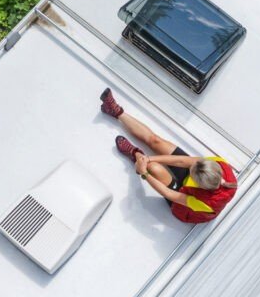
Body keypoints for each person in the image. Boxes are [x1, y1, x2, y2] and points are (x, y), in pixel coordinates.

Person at [99, 88, 238, 223]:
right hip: (201, 182)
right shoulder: (218, 164)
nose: (191, 167)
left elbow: (168, 194)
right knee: (156, 141)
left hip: (184, 206)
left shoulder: (204, 203)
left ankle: (135, 154)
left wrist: (144, 173)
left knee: (152, 168)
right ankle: (116, 111)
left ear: (199, 184)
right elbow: (182, 161)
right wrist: (149, 157)